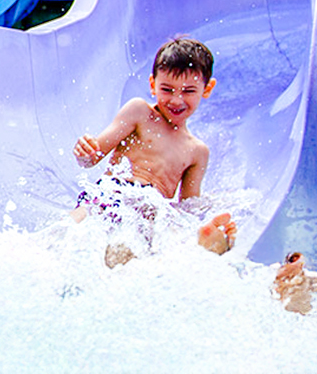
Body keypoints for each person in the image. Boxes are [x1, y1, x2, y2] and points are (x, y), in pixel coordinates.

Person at [70, 36, 236, 263]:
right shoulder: (140, 113)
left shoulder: (197, 151)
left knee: (123, 257)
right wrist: (85, 153)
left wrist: (212, 204)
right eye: (167, 89)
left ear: (206, 89)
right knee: (68, 236)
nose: (177, 100)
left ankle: (209, 242)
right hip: (111, 193)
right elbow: (94, 155)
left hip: (149, 213)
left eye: (188, 91)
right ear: (152, 84)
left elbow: (188, 207)